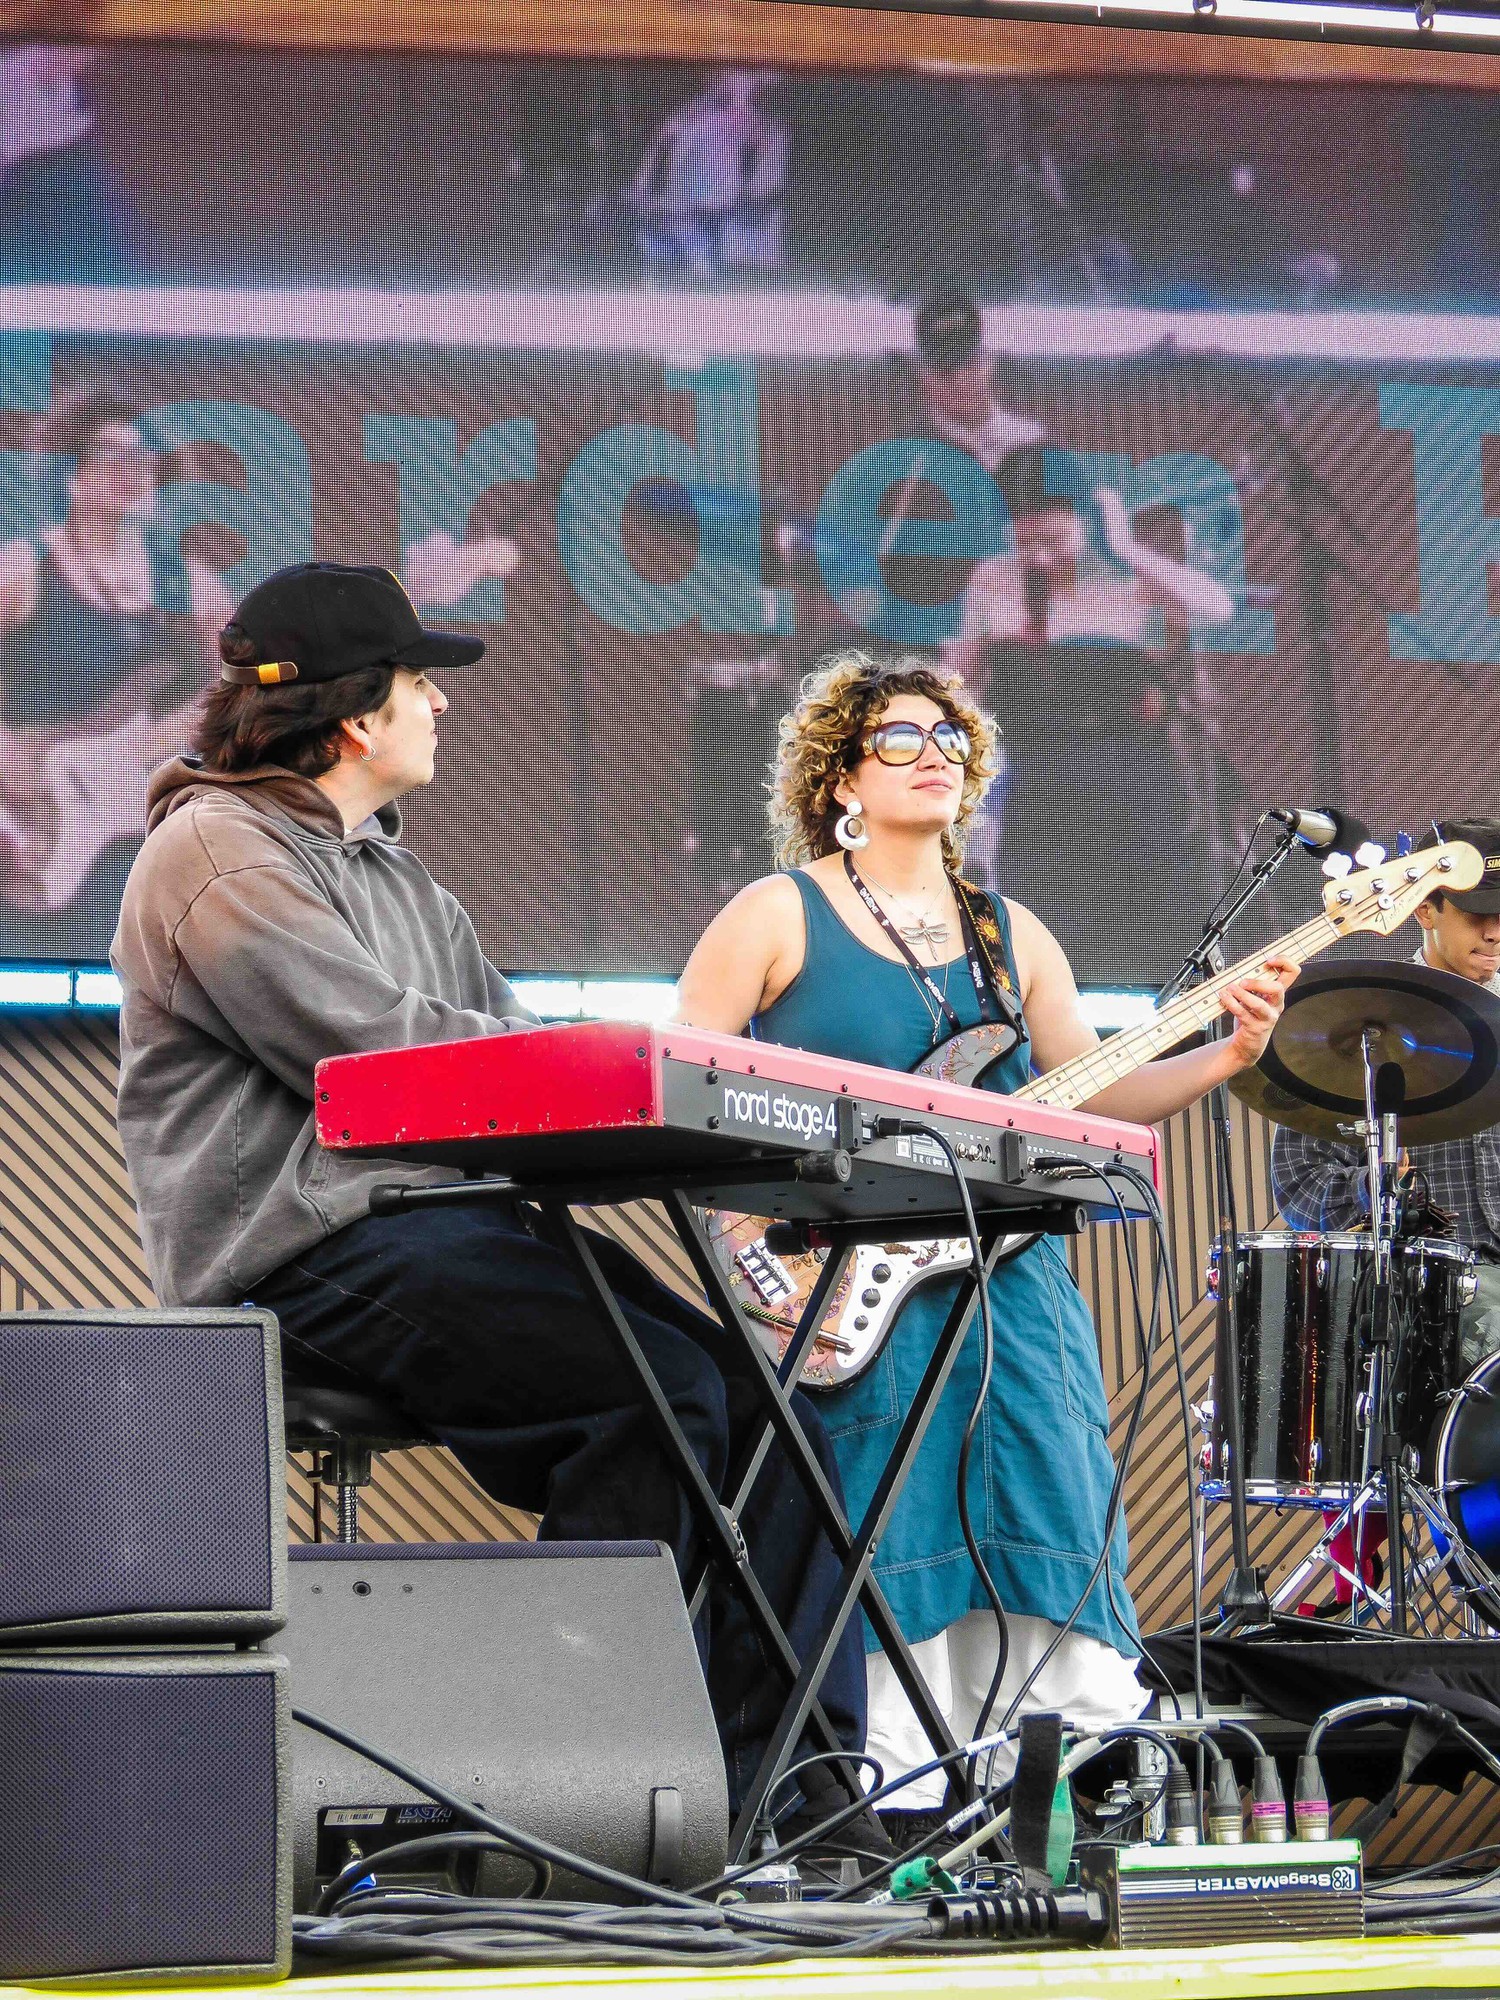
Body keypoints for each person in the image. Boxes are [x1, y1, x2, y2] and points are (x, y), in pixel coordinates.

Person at [109, 559, 873, 1842]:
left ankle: (800, 1815)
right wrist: (604, 1064)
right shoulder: (210, 849)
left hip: (445, 1233)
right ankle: (560, 1800)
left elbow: (518, 1064)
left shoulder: (405, 882)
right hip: (309, 1248)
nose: (440, 707)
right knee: (654, 1399)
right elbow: (375, 1056)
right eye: (421, 684)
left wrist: (686, 1103)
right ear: (356, 714)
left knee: (774, 1416)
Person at [673, 648, 1293, 1832]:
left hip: (1015, 1287)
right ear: (841, 775)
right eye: (900, 738)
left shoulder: (1012, 932)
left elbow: (1081, 1095)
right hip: (852, 1286)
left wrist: (1226, 1053)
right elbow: (684, 1093)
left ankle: (1052, 1785)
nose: (933, 758)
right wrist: (757, 1253)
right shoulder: (775, 912)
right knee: (877, 1511)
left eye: (949, 740)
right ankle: (879, 1796)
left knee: (1048, 1494)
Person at [943, 445, 1241, 979]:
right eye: (1028, 532)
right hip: (1046, 796)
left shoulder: (1124, 585)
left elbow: (1219, 605)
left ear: (1085, 522)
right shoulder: (1000, 583)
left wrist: (1125, 544)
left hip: (1135, 789)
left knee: (1148, 924)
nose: (1043, 546)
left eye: (1056, 529)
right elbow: (957, 684)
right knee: (1041, 936)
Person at [1273, 816, 1500, 1376]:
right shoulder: (1361, 1022)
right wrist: (1375, 1186)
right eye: (1478, 914)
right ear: (1424, 909)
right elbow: (1300, 1185)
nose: (1496, 931)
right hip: (1418, 1291)